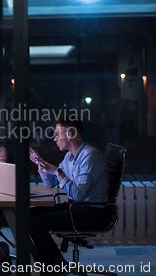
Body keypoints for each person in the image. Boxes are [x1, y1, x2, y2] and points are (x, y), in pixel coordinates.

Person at [29, 118, 110, 276]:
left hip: (92, 213)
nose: (55, 139)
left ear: (70, 134)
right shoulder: (70, 157)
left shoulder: (89, 156)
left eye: (58, 134)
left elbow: (79, 195)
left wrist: (57, 172)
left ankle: (56, 268)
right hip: (77, 207)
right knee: (30, 216)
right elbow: (50, 184)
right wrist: (43, 169)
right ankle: (55, 266)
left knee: (37, 223)